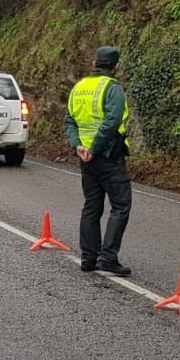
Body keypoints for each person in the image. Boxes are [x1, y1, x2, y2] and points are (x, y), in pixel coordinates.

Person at [64, 46, 133, 276]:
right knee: (121, 206)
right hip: (108, 156)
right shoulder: (112, 88)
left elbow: (69, 121)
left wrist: (78, 147)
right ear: (116, 66)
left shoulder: (79, 87)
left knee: (92, 206)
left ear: (94, 63)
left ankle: (88, 258)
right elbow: (112, 122)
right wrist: (95, 148)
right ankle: (108, 257)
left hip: (86, 158)